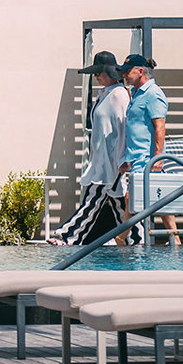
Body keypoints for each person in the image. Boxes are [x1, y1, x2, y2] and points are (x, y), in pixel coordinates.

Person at [53, 52, 130, 245]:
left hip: (112, 163)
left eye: (98, 73)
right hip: (102, 161)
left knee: (93, 201)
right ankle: (136, 239)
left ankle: (66, 236)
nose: (95, 76)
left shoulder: (119, 95)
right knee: (121, 206)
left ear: (109, 72)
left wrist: (123, 159)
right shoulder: (104, 94)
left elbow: (124, 128)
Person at [119, 53, 178, 245]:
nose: (124, 75)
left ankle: (120, 239)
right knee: (160, 201)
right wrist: (127, 160)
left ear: (140, 71)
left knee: (131, 199)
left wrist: (158, 157)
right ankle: (175, 238)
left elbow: (159, 126)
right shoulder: (136, 93)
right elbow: (137, 128)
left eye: (127, 71)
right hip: (137, 158)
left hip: (147, 159)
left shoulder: (153, 94)